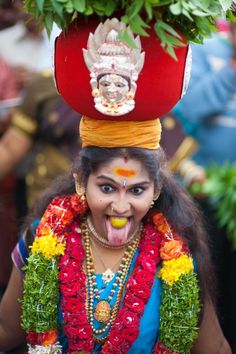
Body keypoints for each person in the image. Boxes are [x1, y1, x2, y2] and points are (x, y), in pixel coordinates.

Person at [0, 16, 232, 354]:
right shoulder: (42, 238)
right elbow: (7, 330)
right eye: (106, 188)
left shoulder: (178, 254)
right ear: (81, 181)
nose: (120, 206)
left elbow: (215, 347)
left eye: (136, 190)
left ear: (156, 191)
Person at [173, 19, 236, 351]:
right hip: (205, 193)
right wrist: (231, 69)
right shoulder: (205, 51)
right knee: (211, 282)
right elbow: (189, 109)